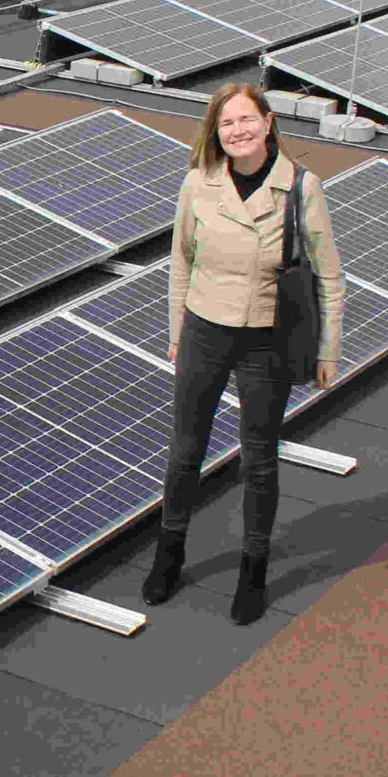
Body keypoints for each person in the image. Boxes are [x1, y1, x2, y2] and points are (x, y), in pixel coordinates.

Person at [146, 84, 345, 626]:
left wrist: (328, 349)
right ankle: (170, 552)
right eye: (225, 123)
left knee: (259, 459)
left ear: (268, 122)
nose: (236, 131)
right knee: (185, 451)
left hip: (268, 337)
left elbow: (328, 275)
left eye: (245, 120)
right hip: (205, 331)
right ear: (215, 132)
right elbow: (180, 263)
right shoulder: (197, 184)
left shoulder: (301, 187)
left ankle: (253, 570)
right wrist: (176, 331)